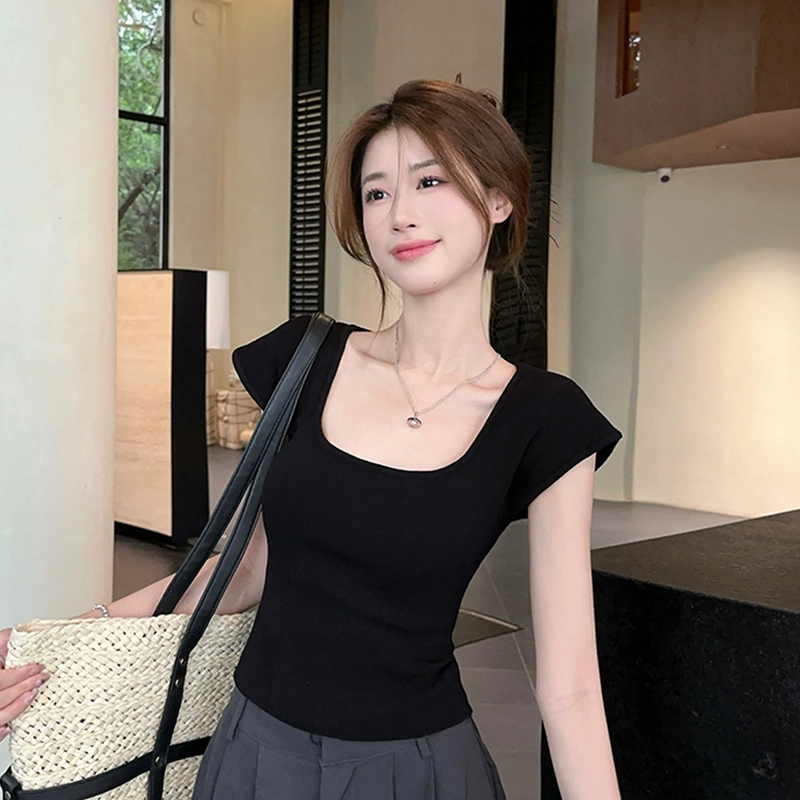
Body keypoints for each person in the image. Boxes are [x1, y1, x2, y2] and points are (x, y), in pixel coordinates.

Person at [0, 78, 623, 800]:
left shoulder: (546, 418)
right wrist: (58, 639)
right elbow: (243, 571)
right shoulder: (306, 359)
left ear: (498, 199)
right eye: (377, 192)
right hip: (255, 755)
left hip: (415, 771)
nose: (401, 213)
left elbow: (571, 689)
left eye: (430, 181)